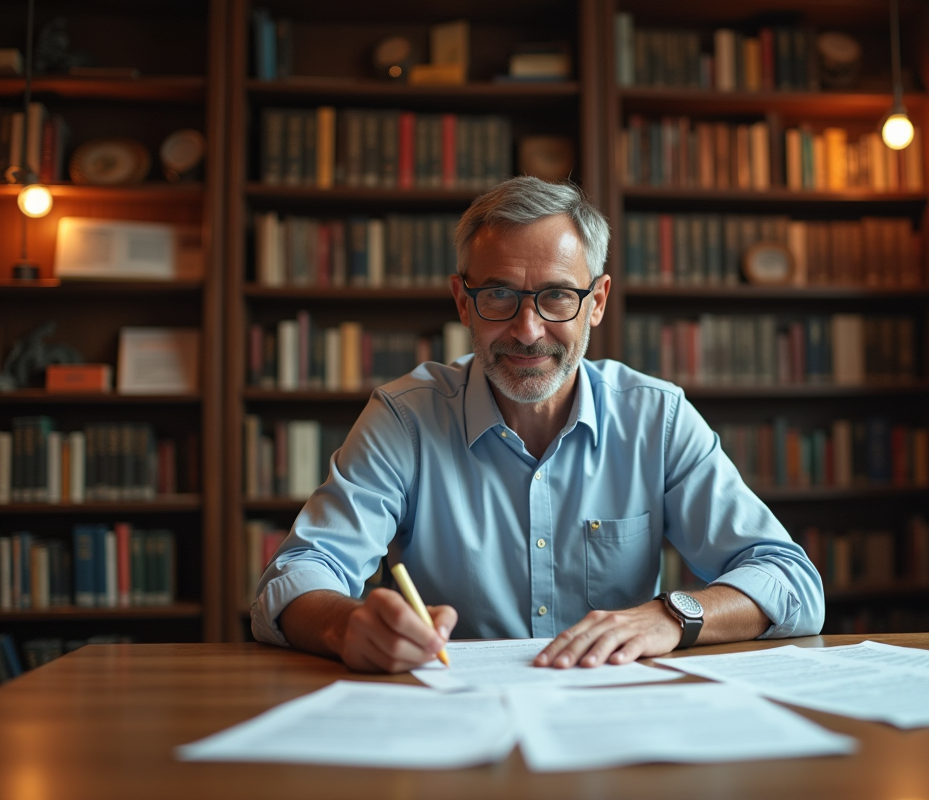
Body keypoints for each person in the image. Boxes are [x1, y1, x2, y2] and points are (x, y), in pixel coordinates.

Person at [252, 176, 824, 673]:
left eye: (556, 297)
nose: (527, 330)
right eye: (499, 295)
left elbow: (790, 580)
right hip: (456, 719)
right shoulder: (404, 418)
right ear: (462, 301)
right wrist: (346, 626)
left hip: (616, 719)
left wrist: (671, 616)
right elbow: (296, 576)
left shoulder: (657, 417)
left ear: (596, 302)